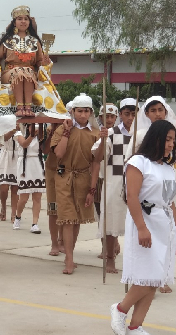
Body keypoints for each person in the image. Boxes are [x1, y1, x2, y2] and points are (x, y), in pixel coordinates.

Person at [110, 120, 176, 335]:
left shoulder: (168, 168)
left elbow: (171, 203)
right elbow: (132, 196)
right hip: (144, 221)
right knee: (146, 275)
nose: (171, 144)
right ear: (156, 138)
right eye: (167, 139)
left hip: (164, 224)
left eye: (173, 140)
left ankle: (135, 326)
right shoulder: (138, 162)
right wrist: (142, 227)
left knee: (156, 278)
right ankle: (121, 309)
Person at [127, 96, 176, 293]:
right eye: (153, 110)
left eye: (160, 110)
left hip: (168, 192)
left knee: (169, 234)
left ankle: (162, 276)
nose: (157, 114)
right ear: (146, 113)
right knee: (145, 240)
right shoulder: (139, 135)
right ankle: (141, 280)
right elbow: (131, 170)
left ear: (166, 111)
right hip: (146, 191)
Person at [51, 93, 103, 274]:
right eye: (79, 111)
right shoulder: (62, 130)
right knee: (67, 218)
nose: (82, 115)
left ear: (90, 113)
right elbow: (58, 153)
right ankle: (69, 259)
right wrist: (66, 131)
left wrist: (92, 188)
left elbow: (96, 162)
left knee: (77, 219)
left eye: (86, 111)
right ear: (73, 111)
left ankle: (70, 254)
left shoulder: (96, 134)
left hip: (83, 178)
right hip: (64, 177)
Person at [92, 99, 134, 274]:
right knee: (111, 221)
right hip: (114, 181)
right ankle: (110, 258)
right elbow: (97, 157)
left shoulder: (143, 134)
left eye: (133, 114)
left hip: (136, 182)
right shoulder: (110, 133)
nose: (130, 118)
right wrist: (102, 140)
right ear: (121, 115)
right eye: (127, 114)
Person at [0, 6, 48, 117]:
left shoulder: (35, 41)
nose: (23, 21)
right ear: (14, 22)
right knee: (20, 72)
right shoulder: (7, 40)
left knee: (26, 72)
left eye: (26, 19)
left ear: (29, 22)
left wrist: (45, 62)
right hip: (9, 72)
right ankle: (20, 107)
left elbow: (39, 62)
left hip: (29, 72)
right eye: (20, 19)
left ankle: (28, 108)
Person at [13, 123, 45, 233]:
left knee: (37, 196)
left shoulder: (41, 135)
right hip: (24, 165)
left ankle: (35, 224)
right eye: (32, 126)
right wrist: (32, 135)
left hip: (38, 163)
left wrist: (43, 136)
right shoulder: (19, 133)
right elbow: (24, 144)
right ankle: (17, 216)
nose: (35, 128)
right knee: (24, 197)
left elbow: (45, 149)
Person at [44, 122, 64, 256]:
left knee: (66, 208)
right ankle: (54, 243)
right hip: (52, 170)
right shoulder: (48, 129)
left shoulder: (70, 128)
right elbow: (45, 150)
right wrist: (51, 134)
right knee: (53, 209)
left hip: (67, 169)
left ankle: (62, 239)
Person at [0, 125, 19, 222]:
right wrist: (13, 129)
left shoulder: (25, 121)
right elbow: (3, 138)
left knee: (15, 188)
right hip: (5, 155)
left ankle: (14, 213)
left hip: (18, 155)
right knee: (4, 188)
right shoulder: (4, 121)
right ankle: (3, 207)